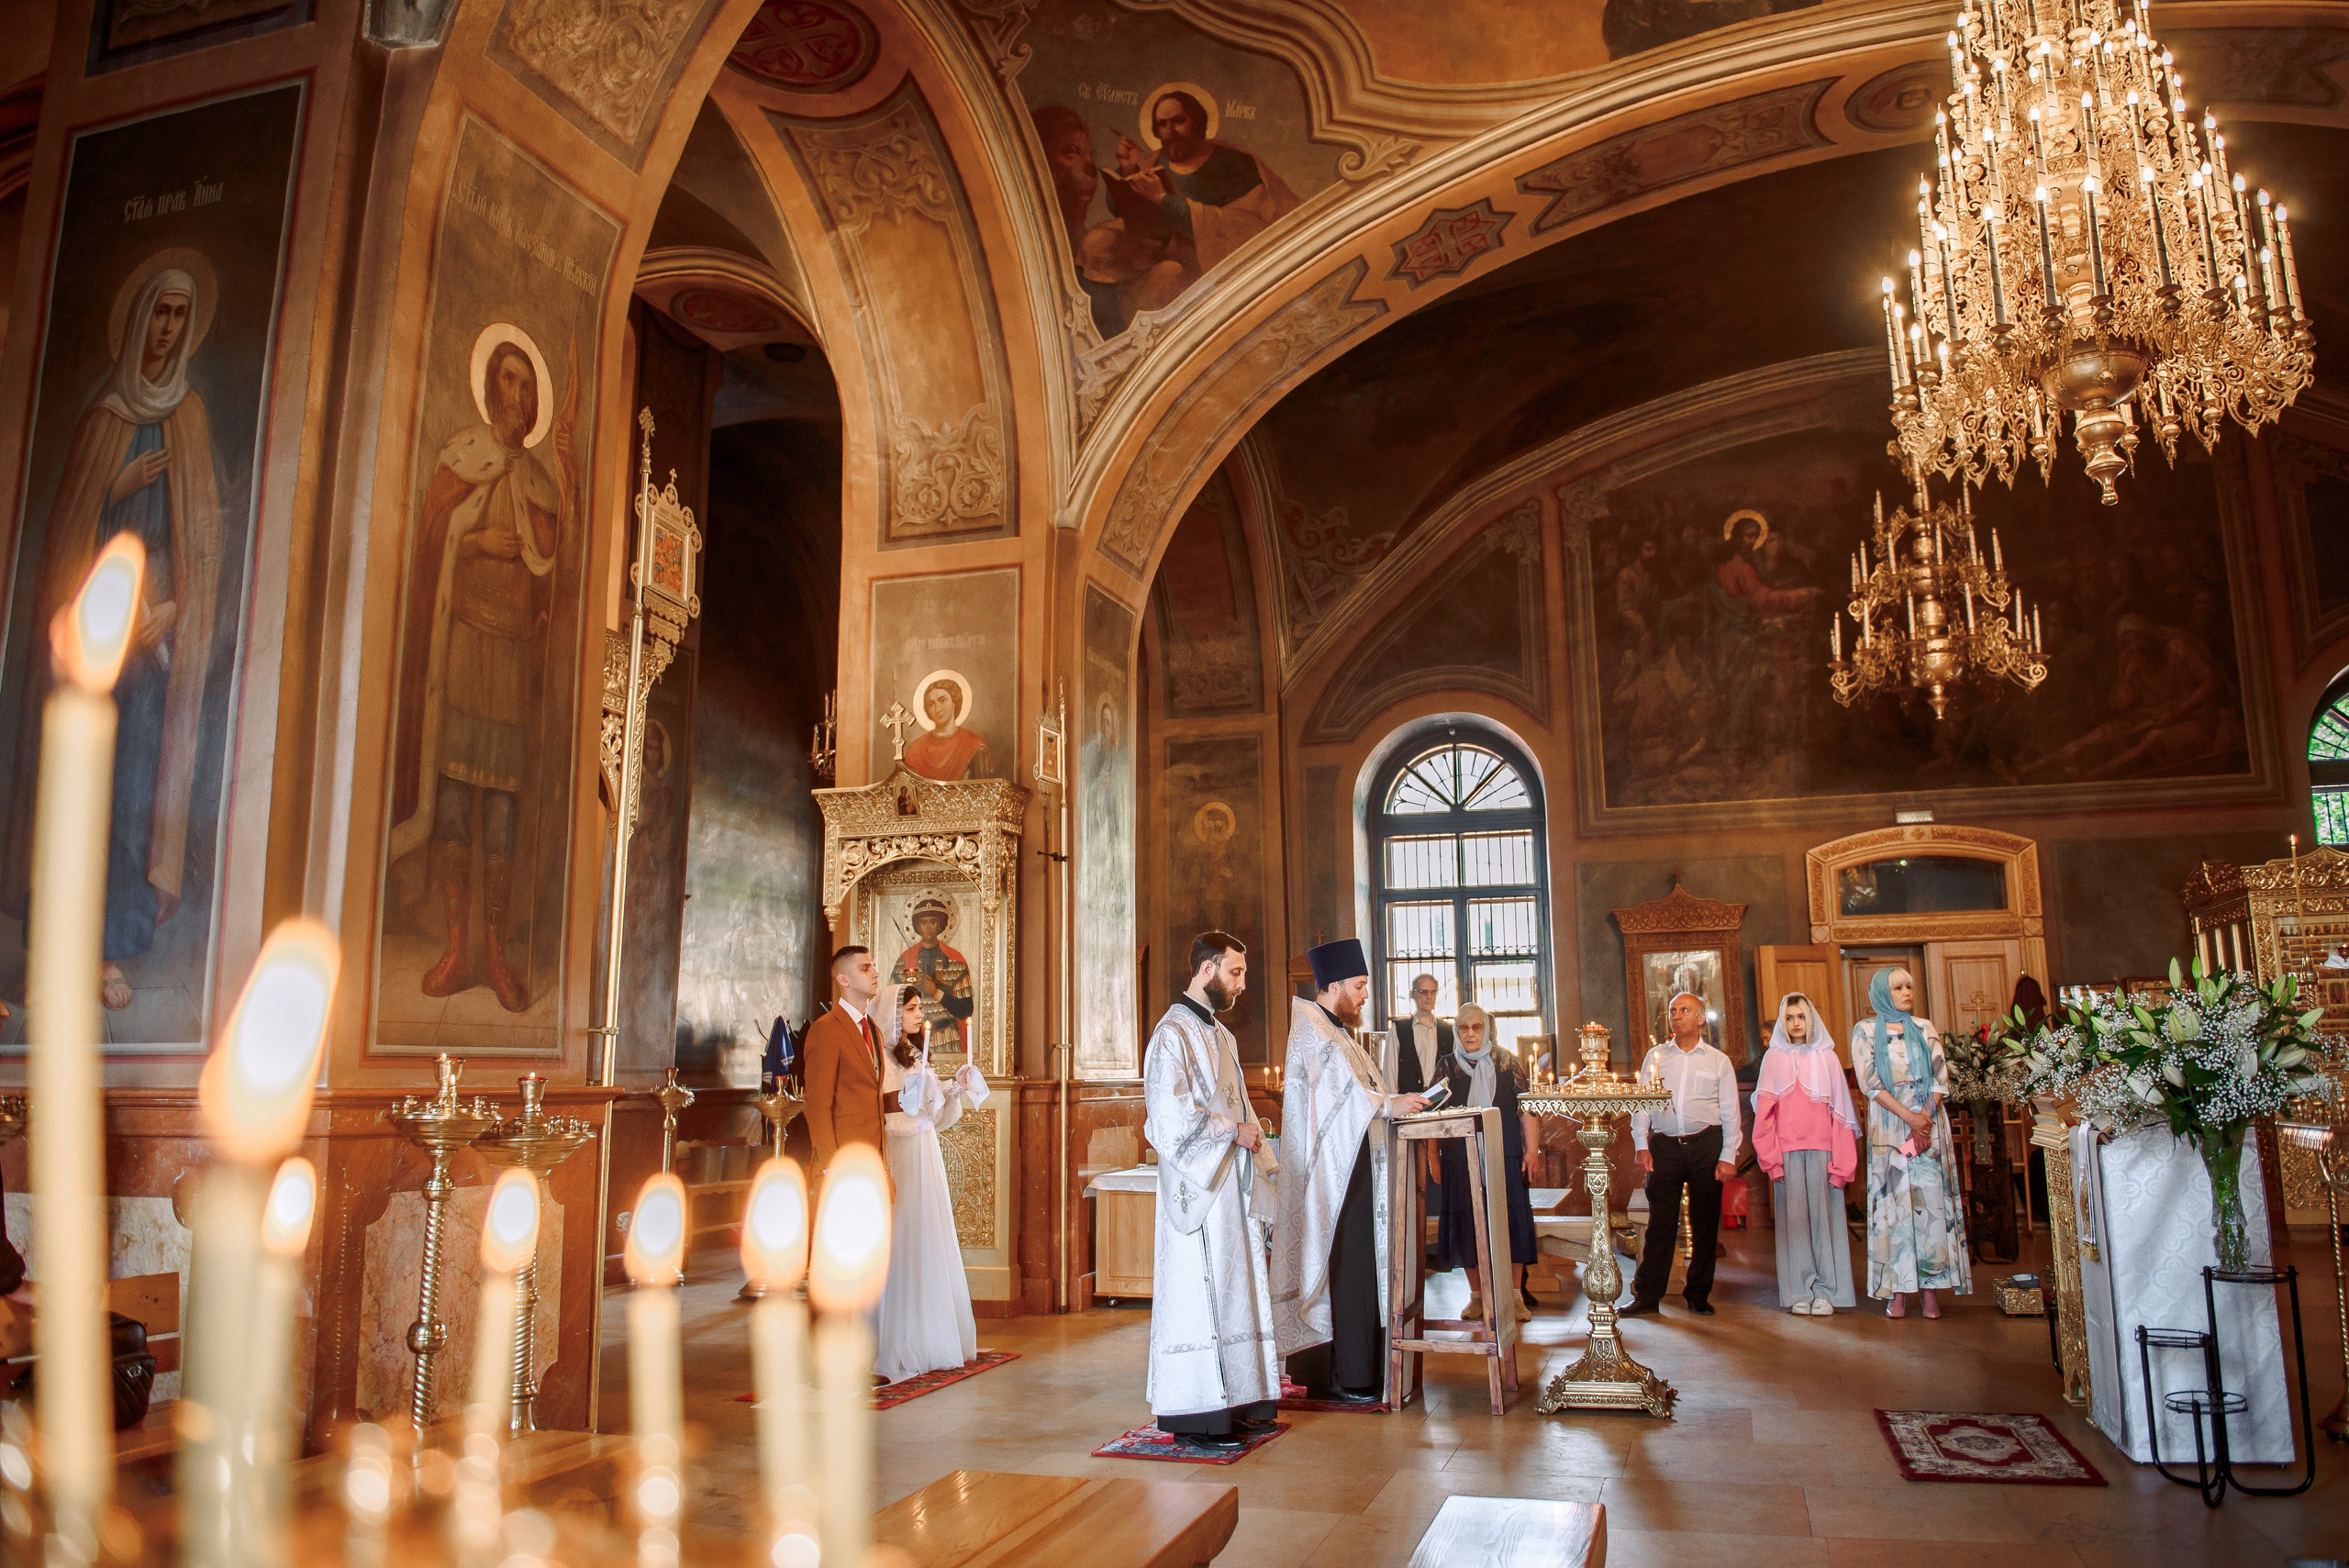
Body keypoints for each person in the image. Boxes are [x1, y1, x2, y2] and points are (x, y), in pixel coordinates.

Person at [2, 261, 226, 1013]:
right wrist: (111, 494)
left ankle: (108, 950)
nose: (166, 328)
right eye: (157, 314)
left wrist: (178, 610)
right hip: (95, 643)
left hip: (151, 649)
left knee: (131, 800)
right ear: (137, 324)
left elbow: (201, 541)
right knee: (75, 797)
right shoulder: (102, 420)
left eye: (177, 316)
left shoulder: (188, 417)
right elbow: (66, 535)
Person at [388, 329, 576, 1012]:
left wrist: (563, 488)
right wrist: (470, 541)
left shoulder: (537, 480)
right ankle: (455, 943)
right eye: (508, 380)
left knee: (500, 808)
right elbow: (433, 530)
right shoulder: (463, 455)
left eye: (527, 386)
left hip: (511, 661)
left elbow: (555, 572)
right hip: (462, 649)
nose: (517, 396)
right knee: (453, 802)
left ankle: (494, 951)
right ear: (490, 386)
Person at [1141, 931, 1279, 1451]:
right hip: (1197, 1188)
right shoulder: (1171, 1034)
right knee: (1202, 1290)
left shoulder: (1222, 1035)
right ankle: (1199, 1413)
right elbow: (1167, 1116)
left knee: (1233, 1284)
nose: (1242, 984)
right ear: (1206, 970)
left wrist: (1250, 1132)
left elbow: (1236, 1102)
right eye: (1235, 973)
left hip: (1230, 1185)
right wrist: (1231, 1130)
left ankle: (1240, 1400)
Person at [1273, 938, 1426, 1403]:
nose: (1364, 995)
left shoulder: (1335, 1031)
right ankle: (1346, 1374)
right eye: (1358, 986)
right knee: (1348, 1264)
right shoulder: (1313, 1032)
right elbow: (1343, 1102)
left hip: (1354, 1167)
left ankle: (1364, 1369)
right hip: (1331, 1180)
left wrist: (1387, 1103)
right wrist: (1388, 1103)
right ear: (1334, 983)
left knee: (1360, 1263)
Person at [875, 984, 981, 1384]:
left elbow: (932, 1112)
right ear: (894, 1013)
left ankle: (929, 1332)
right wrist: (907, 1094)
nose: (920, 1015)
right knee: (903, 1232)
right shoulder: (882, 1057)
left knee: (927, 1233)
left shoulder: (913, 1052)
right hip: (900, 1149)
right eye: (913, 1008)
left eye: (921, 1008)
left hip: (923, 1147)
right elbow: (887, 1104)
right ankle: (899, 1336)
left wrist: (955, 1085)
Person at [1852, 967, 1971, 1317]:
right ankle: (1897, 1292)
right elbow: (1869, 1083)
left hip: (1928, 1124)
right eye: (1898, 987)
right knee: (1895, 1208)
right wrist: (1910, 1118)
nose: (1906, 992)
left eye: (1909, 986)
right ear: (1881, 993)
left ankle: (1931, 1291)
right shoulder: (1865, 1030)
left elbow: (1940, 1078)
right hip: (1891, 1126)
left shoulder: (1924, 1027)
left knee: (1930, 1206)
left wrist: (1926, 1120)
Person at [1622, 991, 1742, 1318]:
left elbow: (1730, 1111)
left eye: (1684, 1010)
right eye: (1673, 1010)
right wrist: (1641, 1145)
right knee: (1660, 1223)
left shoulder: (1718, 1061)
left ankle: (1698, 1294)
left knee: (1704, 1224)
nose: (1676, 1015)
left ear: (1701, 1018)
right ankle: (1648, 1296)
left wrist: (1728, 1154)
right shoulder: (1656, 1057)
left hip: (1706, 1145)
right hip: (1664, 1147)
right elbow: (1643, 1103)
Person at [1752, 992, 1858, 1316]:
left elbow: (1841, 1115)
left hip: (1824, 1151)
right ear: (1782, 1022)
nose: (1796, 1023)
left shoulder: (1827, 1057)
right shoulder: (1774, 1059)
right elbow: (1764, 1116)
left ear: (1810, 1019)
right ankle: (1799, 1290)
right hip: (1787, 1153)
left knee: (1826, 1223)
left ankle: (1827, 1291)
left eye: (1801, 1017)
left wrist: (1842, 1164)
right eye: (1789, 1017)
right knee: (1794, 1224)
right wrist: (1771, 1159)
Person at [1431, 1004, 1540, 1321]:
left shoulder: (1506, 1061)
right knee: (1466, 1221)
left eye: (1476, 1027)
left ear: (1486, 1029)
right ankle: (1477, 1296)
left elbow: (1527, 1108)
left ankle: (1514, 1295)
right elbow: (1432, 1113)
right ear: (1456, 1031)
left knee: (1512, 1219)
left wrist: (1532, 1150)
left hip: (1504, 1152)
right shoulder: (1447, 1066)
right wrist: (1432, 1158)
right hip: (1458, 1157)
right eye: (1464, 1028)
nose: (1470, 1034)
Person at [802, 946, 890, 1182]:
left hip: (874, 1159)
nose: (875, 973)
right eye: (865, 968)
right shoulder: (826, 1029)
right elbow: (817, 1106)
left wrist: (906, 1098)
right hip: (843, 1161)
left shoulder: (874, 1030)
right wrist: (831, 1167)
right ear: (843, 979)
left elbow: (868, 1095)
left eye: (873, 966)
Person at [890, 895, 974, 1051]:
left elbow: (966, 1009)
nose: (928, 928)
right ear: (917, 925)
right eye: (924, 922)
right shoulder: (904, 961)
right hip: (913, 1040)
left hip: (947, 1038)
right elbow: (891, 1004)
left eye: (933, 922)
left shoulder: (956, 961)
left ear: (941, 924)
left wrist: (937, 992)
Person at [1390, 973, 1453, 1095]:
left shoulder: (1448, 1031)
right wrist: (1393, 1101)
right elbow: (1390, 1070)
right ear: (1412, 994)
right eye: (1423, 991)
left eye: (1433, 992)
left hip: (1441, 1100)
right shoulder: (1399, 1029)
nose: (1429, 996)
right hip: (1408, 1100)